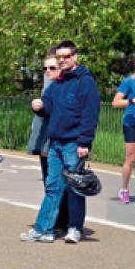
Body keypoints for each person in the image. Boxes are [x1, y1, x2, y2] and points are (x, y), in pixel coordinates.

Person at [23, 40, 100, 243]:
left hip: (74, 143)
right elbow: (49, 104)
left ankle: (74, 228)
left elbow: (90, 114)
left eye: (66, 56)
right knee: (53, 186)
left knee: (75, 186)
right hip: (55, 142)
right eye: (60, 57)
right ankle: (44, 229)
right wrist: (39, 105)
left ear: (75, 57)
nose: (63, 60)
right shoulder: (58, 82)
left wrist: (84, 142)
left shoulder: (85, 82)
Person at [26, 54, 69, 232]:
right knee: (49, 182)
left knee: (58, 183)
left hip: (55, 142)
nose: (47, 71)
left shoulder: (61, 87)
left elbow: (59, 116)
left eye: (52, 68)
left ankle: (62, 222)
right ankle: (57, 220)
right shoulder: (47, 88)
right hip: (44, 141)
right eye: (45, 68)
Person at [111, 48, 135, 204]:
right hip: (131, 122)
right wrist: (132, 101)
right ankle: (124, 189)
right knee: (130, 158)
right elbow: (115, 102)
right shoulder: (129, 81)